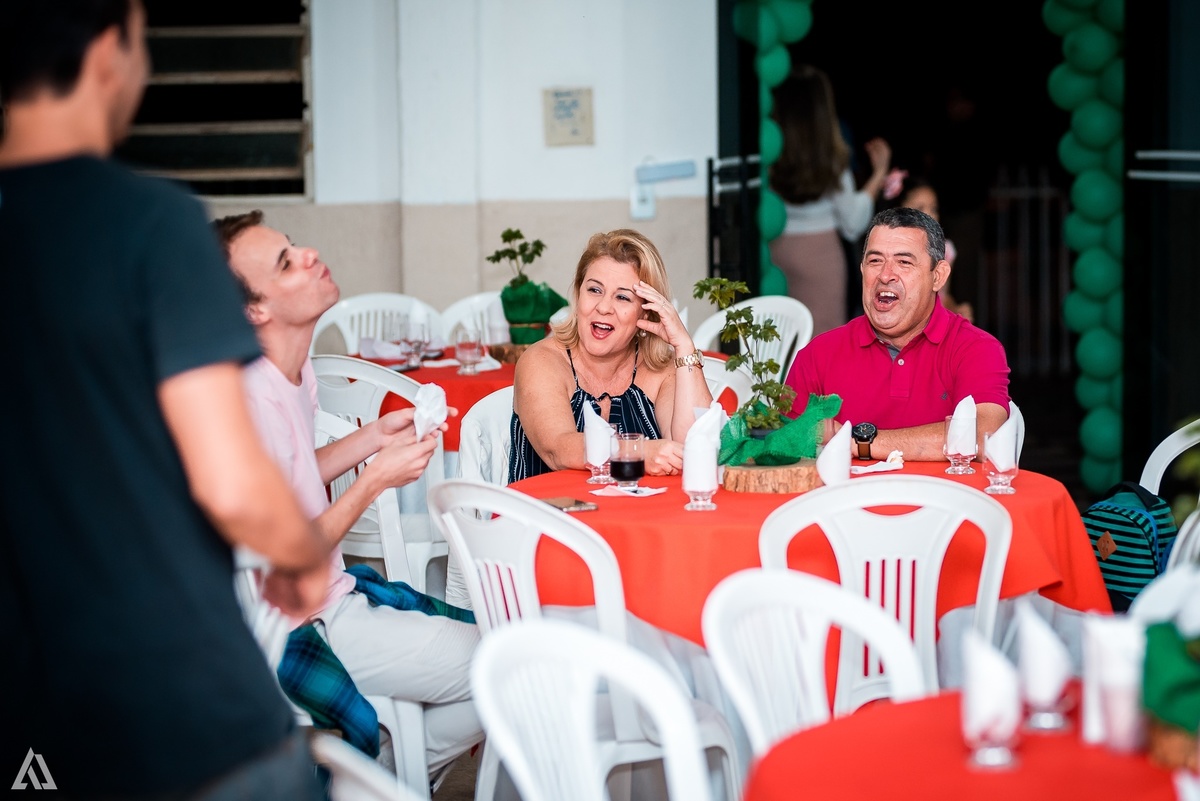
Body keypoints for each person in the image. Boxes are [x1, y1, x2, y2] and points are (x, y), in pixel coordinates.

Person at [1, 2, 333, 798]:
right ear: (109, 51)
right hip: (174, 703)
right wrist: (300, 553)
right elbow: (229, 479)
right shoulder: (148, 224)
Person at [215, 210, 485, 781]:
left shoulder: (293, 373)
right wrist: (374, 479)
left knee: (503, 655)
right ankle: (377, 780)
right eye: (286, 263)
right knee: (512, 665)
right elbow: (285, 556)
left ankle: (380, 773)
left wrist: (372, 438)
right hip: (295, 623)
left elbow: (292, 478)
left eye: (295, 246)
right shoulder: (248, 399)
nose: (309, 254)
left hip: (331, 596)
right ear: (255, 309)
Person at [784, 207, 1010, 461]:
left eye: (904, 262)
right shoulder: (819, 354)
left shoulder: (975, 348)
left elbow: (982, 437)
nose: (885, 275)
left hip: (942, 489)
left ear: (938, 277)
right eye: (875, 261)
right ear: (862, 269)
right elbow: (783, 444)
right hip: (845, 489)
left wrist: (854, 441)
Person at [509, 228, 711, 482]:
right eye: (594, 290)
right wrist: (637, 451)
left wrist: (684, 346)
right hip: (546, 507)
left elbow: (694, 447)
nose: (604, 307)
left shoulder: (661, 369)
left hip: (638, 507)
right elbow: (557, 449)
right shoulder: (541, 360)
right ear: (578, 294)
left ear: (645, 312)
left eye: (623, 297)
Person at [769, 64, 893, 336]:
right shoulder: (831, 159)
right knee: (823, 343)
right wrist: (878, 174)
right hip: (820, 256)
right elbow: (853, 223)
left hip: (776, 249)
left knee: (779, 340)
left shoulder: (770, 156)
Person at [881, 170, 974, 321]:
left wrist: (957, 310)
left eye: (933, 209)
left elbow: (943, 296)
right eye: (920, 209)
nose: (929, 216)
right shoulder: (886, 252)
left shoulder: (944, 251)